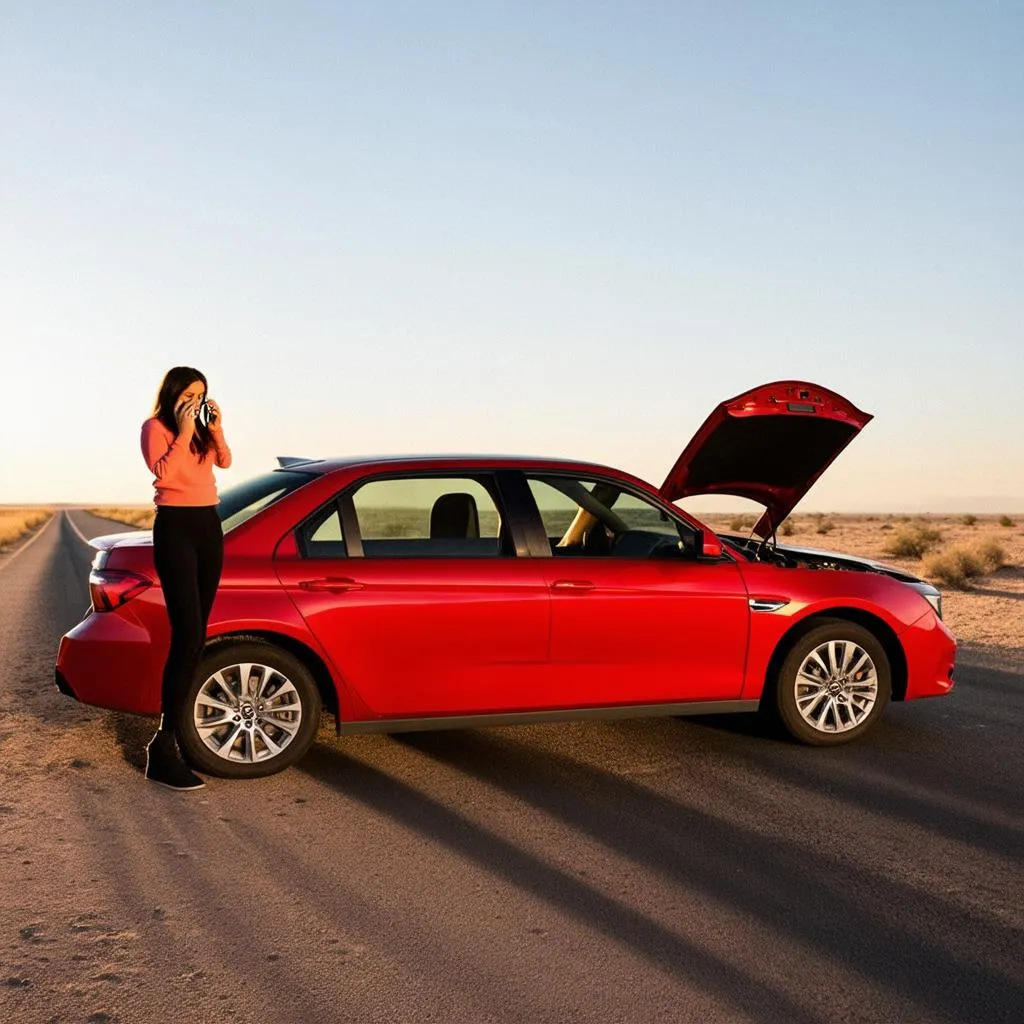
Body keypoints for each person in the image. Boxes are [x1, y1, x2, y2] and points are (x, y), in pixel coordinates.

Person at [140, 367, 232, 790]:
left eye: (202, 394)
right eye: (190, 394)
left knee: (197, 635)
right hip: (175, 527)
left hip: (208, 527)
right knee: (187, 631)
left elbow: (226, 462)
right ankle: (164, 745)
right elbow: (164, 474)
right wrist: (179, 429)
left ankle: (173, 737)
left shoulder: (198, 433)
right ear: (174, 394)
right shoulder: (156, 428)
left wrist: (214, 429)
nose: (195, 400)